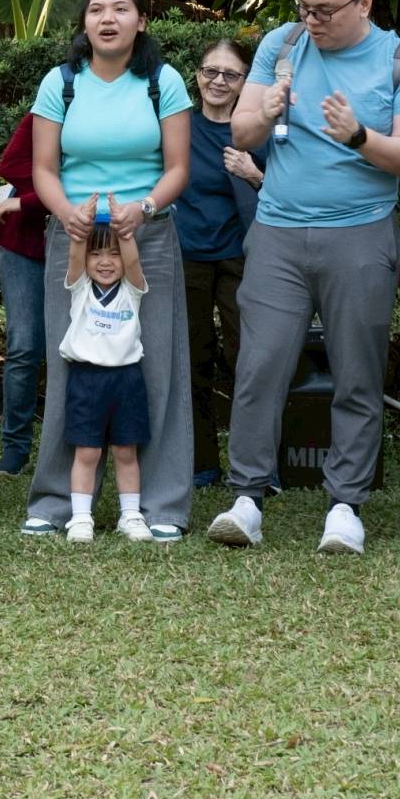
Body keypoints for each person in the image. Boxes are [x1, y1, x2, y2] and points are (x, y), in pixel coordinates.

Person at [209, 0, 400, 554]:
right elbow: (244, 130)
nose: (312, 20)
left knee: (357, 372)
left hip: (360, 233)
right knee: (259, 366)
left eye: (325, 10)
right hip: (278, 231)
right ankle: (248, 498)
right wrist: (266, 110)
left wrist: (359, 135)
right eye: (305, 6)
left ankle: (345, 508)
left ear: (362, 2)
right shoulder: (281, 45)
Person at [21, 0, 193, 539]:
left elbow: (178, 170)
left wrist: (142, 208)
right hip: (74, 237)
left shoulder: (162, 81)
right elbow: (43, 169)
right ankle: (55, 501)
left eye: (121, 9)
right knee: (70, 357)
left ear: (142, 20)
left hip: (149, 234)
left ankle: (163, 505)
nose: (108, 19)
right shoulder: (60, 82)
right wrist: (64, 211)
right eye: (97, 9)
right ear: (85, 22)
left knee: (157, 363)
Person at [174, 37, 262, 490]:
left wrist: (254, 174)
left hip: (241, 256)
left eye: (231, 74)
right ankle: (201, 462)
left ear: (246, 83)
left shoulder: (254, 132)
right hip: (186, 256)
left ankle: (256, 466)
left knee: (248, 359)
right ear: (197, 75)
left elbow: (287, 195)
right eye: (211, 71)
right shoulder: (179, 126)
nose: (218, 81)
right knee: (192, 360)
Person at [60, 201, 152, 544]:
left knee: (126, 452)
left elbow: (132, 261)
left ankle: (131, 515)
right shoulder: (80, 288)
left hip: (126, 379)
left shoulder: (132, 289)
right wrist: (81, 223)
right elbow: (74, 256)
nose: (105, 262)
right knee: (87, 452)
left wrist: (123, 228)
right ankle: (81, 518)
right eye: (97, 254)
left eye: (112, 254)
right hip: (87, 379)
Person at [0, 112, 48, 476]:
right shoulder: (50, 105)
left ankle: (70, 445)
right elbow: (12, 163)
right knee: (24, 345)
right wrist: (48, 195)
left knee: (71, 350)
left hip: (87, 245)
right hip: (25, 244)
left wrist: (31, 199)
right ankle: (15, 447)